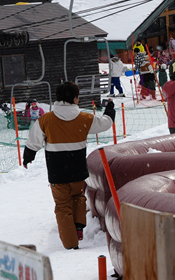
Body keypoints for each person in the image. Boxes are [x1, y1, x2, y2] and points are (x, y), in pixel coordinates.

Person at [23, 82, 115, 250]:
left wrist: (28, 156)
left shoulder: (46, 120)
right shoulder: (84, 119)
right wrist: (109, 110)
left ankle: (70, 244)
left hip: (57, 173)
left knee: (62, 206)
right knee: (78, 197)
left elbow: (33, 140)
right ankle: (78, 227)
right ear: (75, 99)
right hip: (77, 171)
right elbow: (105, 123)